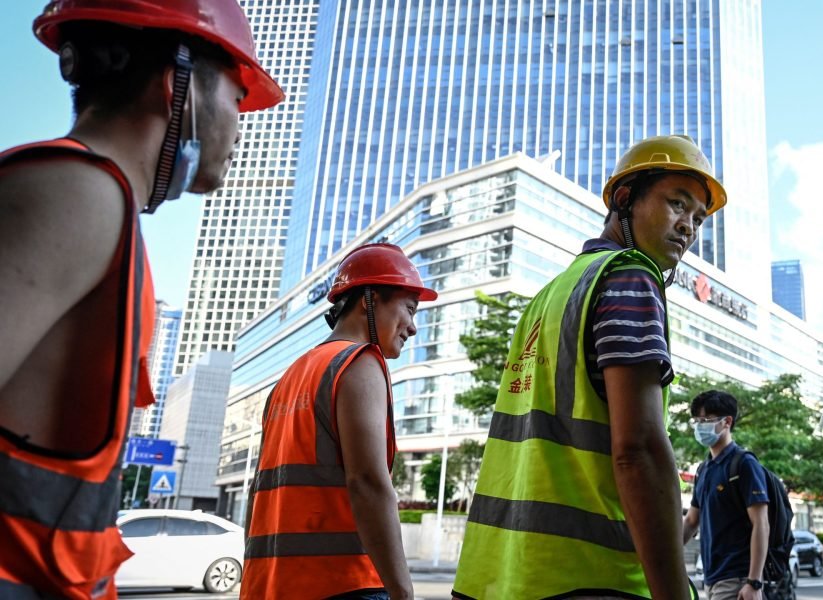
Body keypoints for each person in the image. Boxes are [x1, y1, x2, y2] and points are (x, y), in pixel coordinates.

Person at [0, 1, 281, 597]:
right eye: (236, 97)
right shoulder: (76, 192)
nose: (241, 123)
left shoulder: (107, 208)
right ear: (175, 82)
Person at [452, 135, 726, 599]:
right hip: (595, 577)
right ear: (625, 199)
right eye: (676, 205)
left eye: (698, 217)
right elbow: (636, 451)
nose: (688, 227)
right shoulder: (629, 275)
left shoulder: (549, 296)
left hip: (501, 576)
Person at [240, 243, 433, 600]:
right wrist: (403, 593)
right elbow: (368, 483)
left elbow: (259, 492)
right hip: (341, 584)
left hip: (270, 585)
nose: (413, 327)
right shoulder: (359, 362)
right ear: (370, 299)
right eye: (409, 309)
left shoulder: (291, 377)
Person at [681, 390, 771, 600]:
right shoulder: (704, 469)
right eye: (697, 421)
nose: (700, 426)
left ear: (727, 422)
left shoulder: (744, 464)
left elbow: (761, 524)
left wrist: (754, 582)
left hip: (737, 579)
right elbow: (692, 520)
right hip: (712, 578)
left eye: (706, 420)